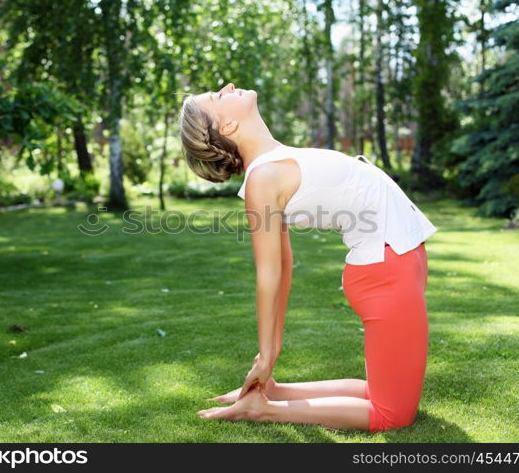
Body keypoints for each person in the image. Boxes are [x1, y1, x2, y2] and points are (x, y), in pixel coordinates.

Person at [178, 82, 437, 433]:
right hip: (386, 270)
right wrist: (266, 352)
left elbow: (285, 267)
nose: (228, 87)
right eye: (218, 97)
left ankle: (272, 392)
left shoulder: (274, 160)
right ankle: (261, 410)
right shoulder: (263, 178)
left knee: (380, 392)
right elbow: (269, 273)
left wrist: (272, 354)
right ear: (227, 128)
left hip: (394, 263)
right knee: (393, 414)